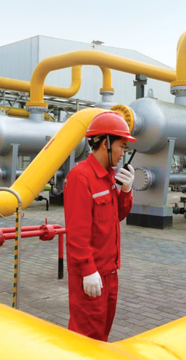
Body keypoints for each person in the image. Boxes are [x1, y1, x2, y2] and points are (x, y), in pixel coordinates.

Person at [63, 111, 136, 341]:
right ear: (106, 143)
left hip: (109, 273)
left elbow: (116, 216)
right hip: (91, 274)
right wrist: (87, 270)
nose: (123, 152)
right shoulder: (81, 177)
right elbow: (77, 233)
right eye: (122, 146)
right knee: (86, 339)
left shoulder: (108, 176)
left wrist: (126, 192)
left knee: (102, 335)